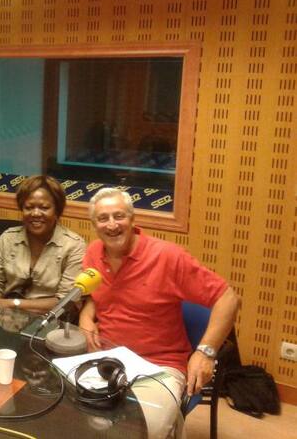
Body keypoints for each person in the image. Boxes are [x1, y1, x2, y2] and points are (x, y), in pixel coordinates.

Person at [79, 187, 240, 438]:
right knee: (73, 419)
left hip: (159, 366)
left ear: (133, 219)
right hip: (107, 359)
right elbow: (99, 295)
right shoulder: (93, 253)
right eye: (103, 218)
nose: (112, 225)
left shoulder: (168, 256)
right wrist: (86, 316)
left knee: (136, 431)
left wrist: (205, 352)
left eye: (119, 216)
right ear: (94, 225)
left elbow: (228, 298)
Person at [0, 175, 86, 314]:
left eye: (44, 207)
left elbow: (66, 302)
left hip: (49, 321)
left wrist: (13, 304)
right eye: (29, 207)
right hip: (5, 317)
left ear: (57, 210)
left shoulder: (74, 245)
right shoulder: (8, 238)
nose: (35, 213)